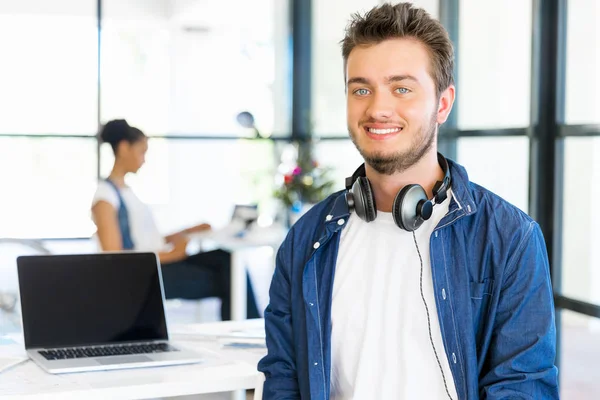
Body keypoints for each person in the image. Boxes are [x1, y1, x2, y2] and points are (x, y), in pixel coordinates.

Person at [257, 3, 558, 400]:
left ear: (443, 104)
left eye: (402, 88)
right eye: (361, 89)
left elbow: (524, 389)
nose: (378, 108)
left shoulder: (509, 238)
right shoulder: (307, 238)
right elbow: (284, 376)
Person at [91, 119, 259, 321]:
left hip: (160, 260)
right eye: (141, 151)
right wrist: (173, 254)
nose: (144, 160)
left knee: (228, 258)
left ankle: (251, 330)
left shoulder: (125, 191)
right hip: (146, 273)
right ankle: (249, 333)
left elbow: (145, 239)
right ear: (124, 148)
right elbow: (115, 257)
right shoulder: (105, 198)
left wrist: (187, 231)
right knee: (232, 279)